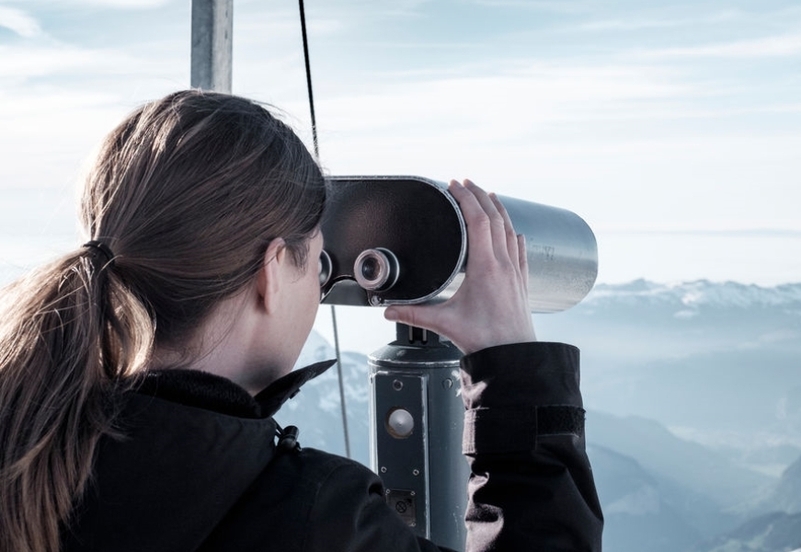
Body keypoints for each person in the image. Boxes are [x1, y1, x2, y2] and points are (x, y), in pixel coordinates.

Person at [0, 90, 602, 552]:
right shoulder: (318, 519)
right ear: (270, 273)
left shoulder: (28, 445)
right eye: (316, 263)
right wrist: (516, 367)